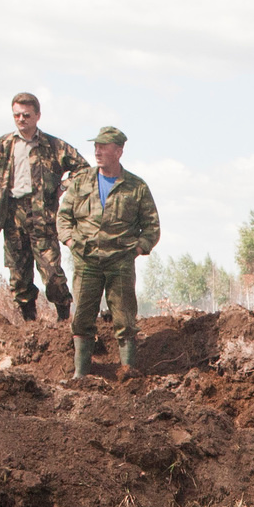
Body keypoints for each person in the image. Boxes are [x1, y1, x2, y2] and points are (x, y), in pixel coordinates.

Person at [0, 94, 87, 322]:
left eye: (26, 115)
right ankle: (29, 325)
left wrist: (62, 186)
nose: (21, 119)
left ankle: (64, 320)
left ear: (37, 116)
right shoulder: (5, 144)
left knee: (53, 274)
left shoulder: (53, 146)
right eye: (17, 115)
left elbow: (82, 169)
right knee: (19, 278)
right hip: (13, 216)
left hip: (43, 217)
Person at [55, 126, 160, 379]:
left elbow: (152, 226)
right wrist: (70, 242)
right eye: (96, 146)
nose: (98, 151)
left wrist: (137, 249)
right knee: (81, 318)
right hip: (86, 261)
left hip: (120, 264)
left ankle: (128, 373)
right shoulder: (81, 183)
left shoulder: (136, 187)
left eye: (104, 147)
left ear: (119, 151)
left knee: (125, 320)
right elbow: (63, 217)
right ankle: (80, 375)